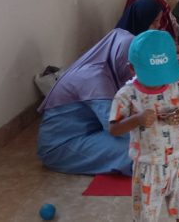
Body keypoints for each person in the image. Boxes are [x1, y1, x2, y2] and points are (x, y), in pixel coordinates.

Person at [109, 30, 179, 222]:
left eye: (162, 75)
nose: (159, 82)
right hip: (148, 167)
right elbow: (114, 128)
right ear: (132, 68)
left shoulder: (178, 86)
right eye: (152, 77)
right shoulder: (127, 94)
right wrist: (136, 119)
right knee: (145, 217)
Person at [37, 29, 135, 175]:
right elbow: (115, 125)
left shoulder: (108, 69)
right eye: (131, 63)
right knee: (141, 150)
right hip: (62, 146)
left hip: (90, 132)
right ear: (120, 55)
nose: (133, 70)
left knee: (147, 142)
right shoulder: (93, 77)